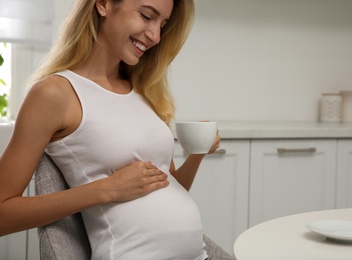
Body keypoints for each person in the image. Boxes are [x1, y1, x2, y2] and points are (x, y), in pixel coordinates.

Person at [0, 0, 223, 259]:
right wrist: (107, 189)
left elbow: (166, 187)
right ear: (104, 4)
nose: (156, 36)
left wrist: (198, 153)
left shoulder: (144, 91)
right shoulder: (55, 94)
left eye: (162, 24)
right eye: (146, 15)